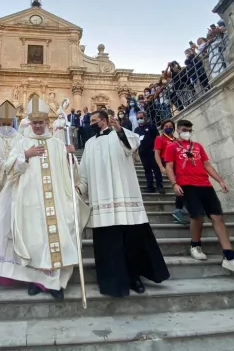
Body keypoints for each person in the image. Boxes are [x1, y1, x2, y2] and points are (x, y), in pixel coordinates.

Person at [0, 95, 88, 300]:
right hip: (30, 200)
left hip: (57, 200)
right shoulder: (23, 143)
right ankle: (36, 281)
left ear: (47, 122)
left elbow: (72, 174)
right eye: (34, 123)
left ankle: (55, 283)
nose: (38, 126)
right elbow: (9, 169)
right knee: (34, 240)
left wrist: (70, 157)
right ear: (30, 124)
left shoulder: (58, 144)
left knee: (55, 239)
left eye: (41, 122)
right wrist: (26, 155)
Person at [78, 110, 169, 297]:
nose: (91, 124)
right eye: (90, 121)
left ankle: (134, 278)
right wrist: (79, 188)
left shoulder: (120, 137)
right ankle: (112, 282)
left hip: (124, 197)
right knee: (108, 244)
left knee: (131, 241)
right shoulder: (88, 144)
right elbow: (84, 173)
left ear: (104, 121)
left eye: (95, 121)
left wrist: (120, 129)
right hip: (102, 201)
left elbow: (134, 144)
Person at [164, 119, 234, 277]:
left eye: (190, 129)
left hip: (205, 185)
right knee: (197, 216)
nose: (188, 132)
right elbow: (169, 166)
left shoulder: (197, 146)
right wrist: (174, 184)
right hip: (187, 185)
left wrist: (219, 180)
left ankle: (229, 256)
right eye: (185, 129)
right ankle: (195, 245)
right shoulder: (172, 147)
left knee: (217, 217)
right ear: (178, 130)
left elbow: (206, 165)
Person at [0, 101, 23, 241]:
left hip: (14, 180)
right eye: (4, 123)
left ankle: (13, 236)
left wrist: (11, 165)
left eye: (9, 123)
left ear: (13, 122)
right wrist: (1, 165)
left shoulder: (21, 139)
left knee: (14, 209)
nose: (7, 126)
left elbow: (24, 158)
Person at [155, 119, 188, 225]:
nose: (168, 127)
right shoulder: (159, 138)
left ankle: (180, 209)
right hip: (168, 164)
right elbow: (157, 154)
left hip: (180, 163)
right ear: (162, 127)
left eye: (170, 126)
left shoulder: (176, 139)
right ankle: (178, 210)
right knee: (179, 185)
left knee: (184, 185)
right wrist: (161, 167)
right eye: (166, 126)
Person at [134, 111, 165, 194]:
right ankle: (150, 186)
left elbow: (157, 138)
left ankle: (160, 186)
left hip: (152, 151)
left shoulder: (152, 126)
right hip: (142, 152)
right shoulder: (136, 130)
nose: (139, 119)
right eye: (138, 118)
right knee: (147, 170)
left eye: (141, 118)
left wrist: (156, 148)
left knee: (156, 169)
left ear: (145, 117)